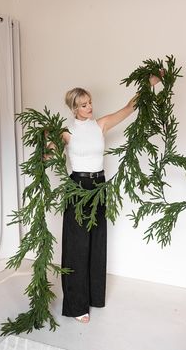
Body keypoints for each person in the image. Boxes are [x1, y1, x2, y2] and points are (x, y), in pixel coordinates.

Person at [48, 73, 162, 323]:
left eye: (90, 102)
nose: (89, 107)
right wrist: (47, 147)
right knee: (77, 246)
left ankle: (94, 298)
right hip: (77, 186)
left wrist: (149, 85)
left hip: (99, 185)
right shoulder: (67, 132)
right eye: (83, 104)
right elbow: (50, 153)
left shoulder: (101, 124)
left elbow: (129, 107)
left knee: (96, 242)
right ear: (74, 108)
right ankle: (77, 306)